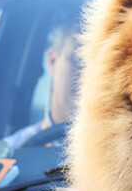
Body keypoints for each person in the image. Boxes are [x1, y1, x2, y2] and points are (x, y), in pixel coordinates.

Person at [5, 19, 78, 148]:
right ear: (52, 60)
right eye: (77, 59)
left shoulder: (120, 155)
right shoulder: (12, 153)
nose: (88, 75)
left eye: (98, 65)